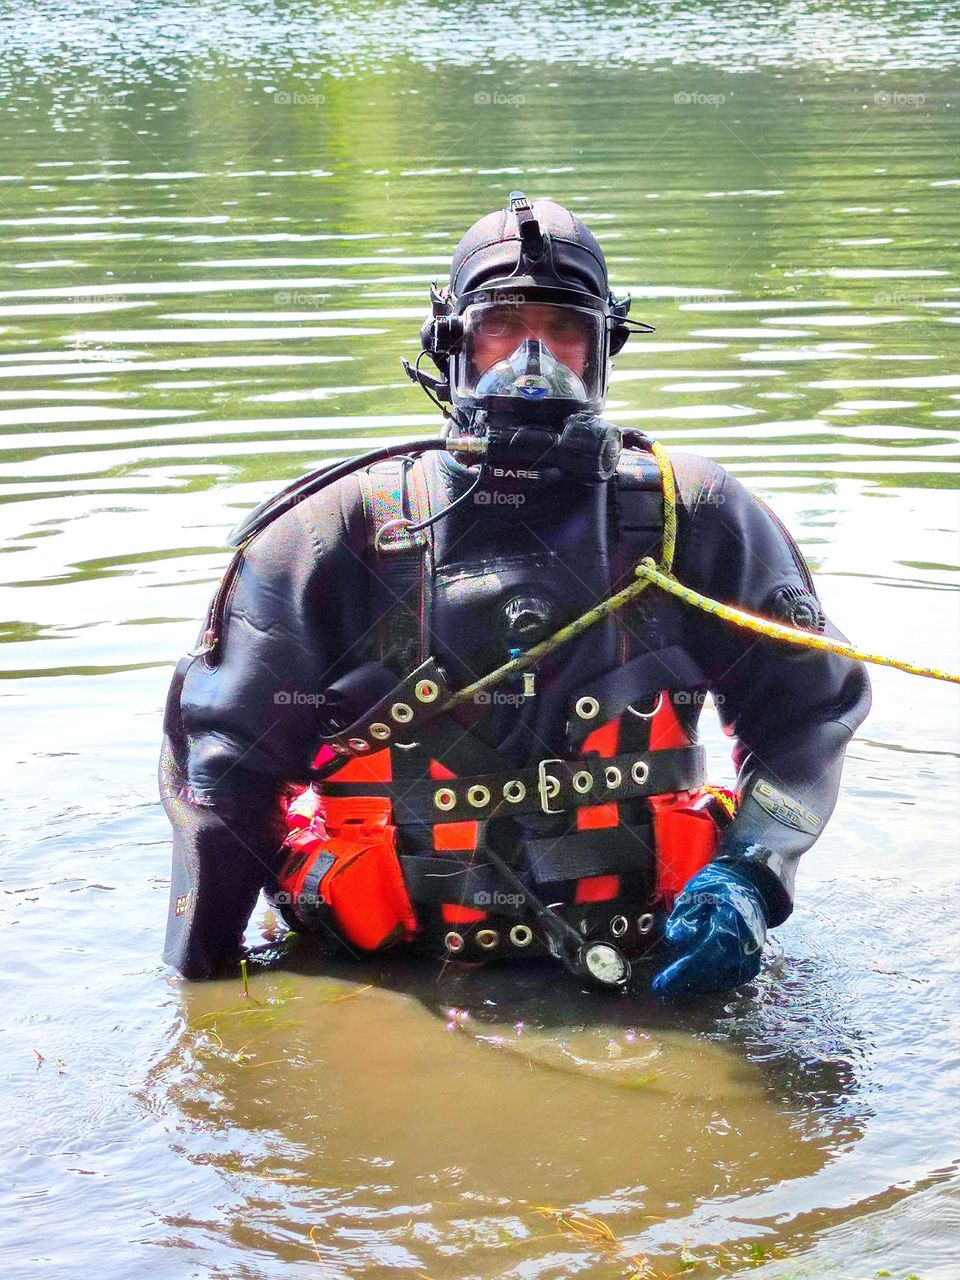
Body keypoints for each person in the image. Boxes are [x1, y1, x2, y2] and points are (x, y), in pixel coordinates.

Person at [160, 192, 870, 995]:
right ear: (450, 345)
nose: (533, 362)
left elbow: (811, 713)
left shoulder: (693, 519)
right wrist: (204, 982)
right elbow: (224, 778)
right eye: (502, 328)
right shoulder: (337, 534)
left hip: (648, 961)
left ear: (605, 350)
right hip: (395, 974)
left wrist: (751, 874)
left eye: (566, 331)